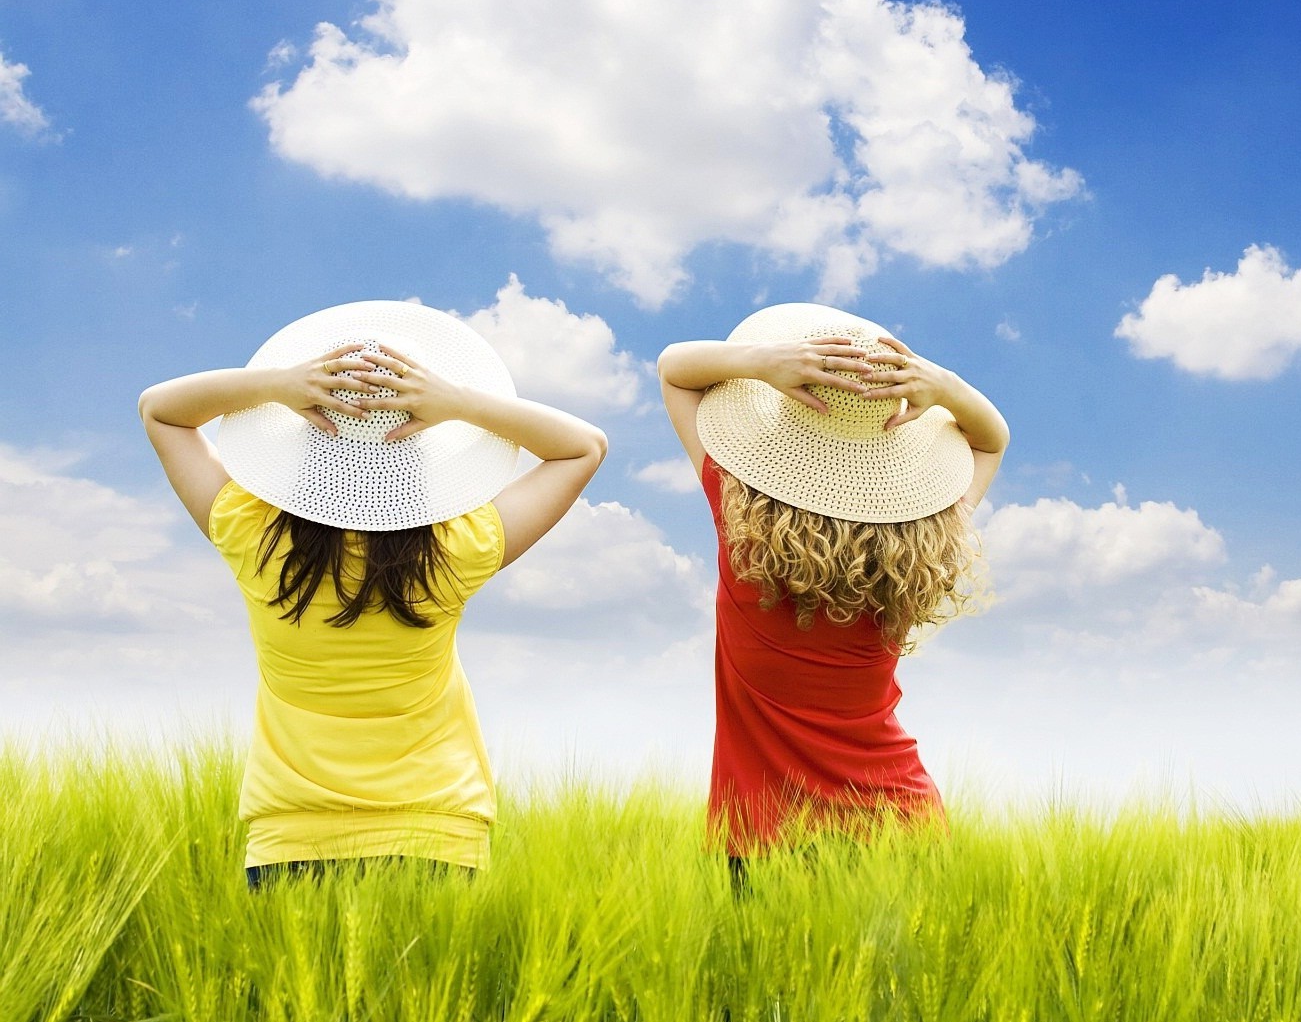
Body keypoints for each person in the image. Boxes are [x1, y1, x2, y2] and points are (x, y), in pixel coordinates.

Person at [139, 300, 606, 886]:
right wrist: (458, 402)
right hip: (438, 833)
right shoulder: (457, 547)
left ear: (306, 449)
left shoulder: (251, 535)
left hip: (290, 838)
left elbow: (160, 411)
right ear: (417, 458)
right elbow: (583, 446)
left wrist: (278, 385)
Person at [658, 302, 1009, 878]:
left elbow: (675, 368)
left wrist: (764, 363)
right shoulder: (924, 540)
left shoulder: (741, 522)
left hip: (763, 835)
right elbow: (992, 440)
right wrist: (940, 384)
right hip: (902, 825)